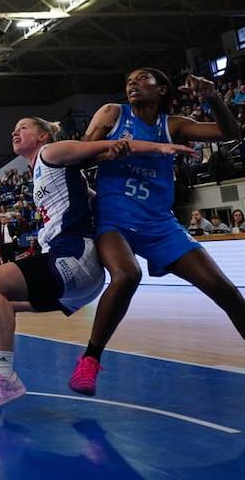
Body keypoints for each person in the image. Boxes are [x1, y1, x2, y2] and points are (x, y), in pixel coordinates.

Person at [0, 117, 195, 413]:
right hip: (77, 276)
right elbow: (95, 200)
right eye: (14, 128)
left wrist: (159, 146)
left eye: (24, 127)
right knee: (2, 305)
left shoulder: (51, 152)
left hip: (73, 258)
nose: (15, 131)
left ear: (42, 136)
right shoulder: (45, 173)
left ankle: (3, 376)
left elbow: (113, 145)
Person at [69, 69, 245, 396]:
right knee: (126, 275)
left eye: (141, 79)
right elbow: (78, 157)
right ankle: (90, 359)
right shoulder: (112, 113)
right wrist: (108, 150)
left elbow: (229, 131)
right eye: (129, 80)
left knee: (225, 290)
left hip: (159, 224)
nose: (132, 84)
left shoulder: (172, 124)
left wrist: (211, 97)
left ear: (161, 88)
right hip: (115, 219)